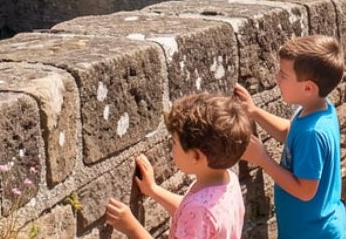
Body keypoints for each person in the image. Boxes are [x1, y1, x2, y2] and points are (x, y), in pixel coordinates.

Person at [235, 35, 346, 238]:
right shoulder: (318, 108)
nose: (277, 78)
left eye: (283, 74)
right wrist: (254, 112)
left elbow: (305, 191)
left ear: (308, 88)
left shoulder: (312, 133)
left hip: (313, 233)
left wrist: (263, 159)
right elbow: (290, 133)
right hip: (313, 227)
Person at [104, 93, 251, 239]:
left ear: (196, 156)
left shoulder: (200, 210)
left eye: (174, 142)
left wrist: (131, 228)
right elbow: (188, 212)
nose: (171, 148)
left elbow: (196, 213)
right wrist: (153, 190)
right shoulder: (228, 181)